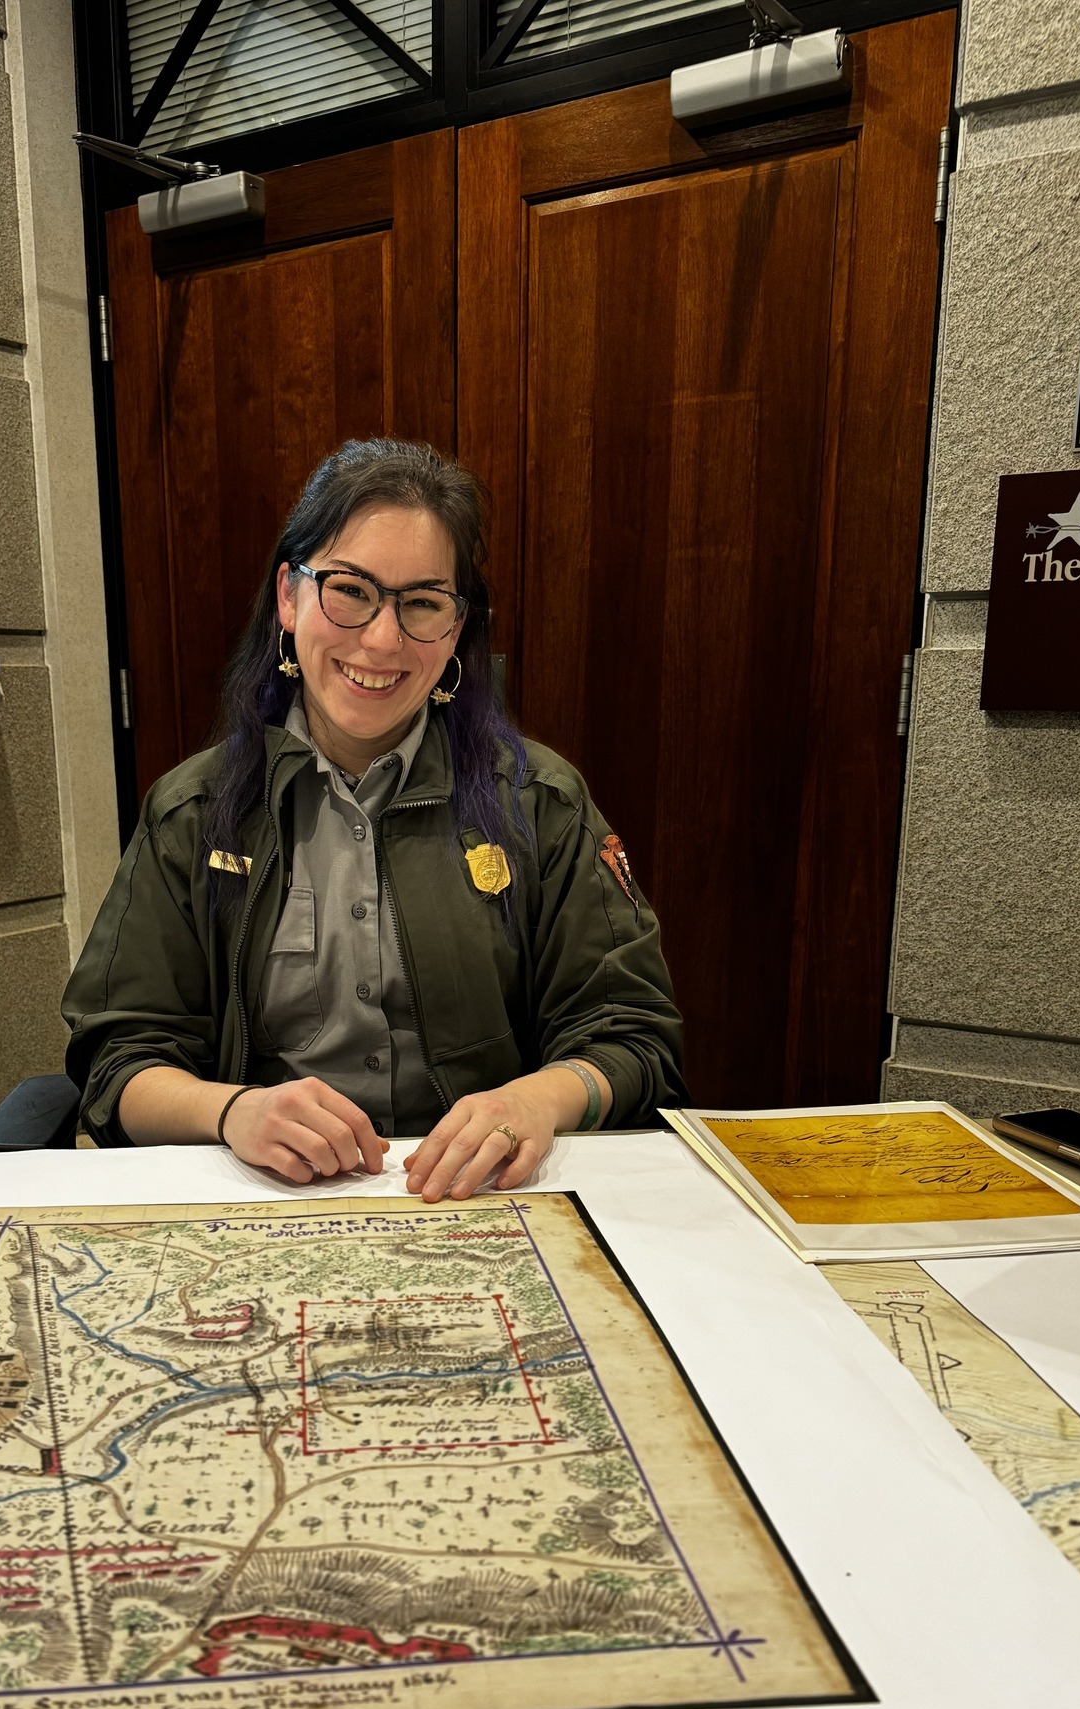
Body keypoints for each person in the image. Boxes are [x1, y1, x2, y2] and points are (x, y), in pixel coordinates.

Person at [63, 439, 684, 1201]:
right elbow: (116, 1056)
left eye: (422, 603)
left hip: (479, 1199)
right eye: (350, 590)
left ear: (456, 629)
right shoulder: (194, 813)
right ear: (289, 598)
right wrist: (234, 1112)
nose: (383, 640)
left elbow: (633, 1035)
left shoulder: (539, 803)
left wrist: (534, 1101)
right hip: (265, 1203)